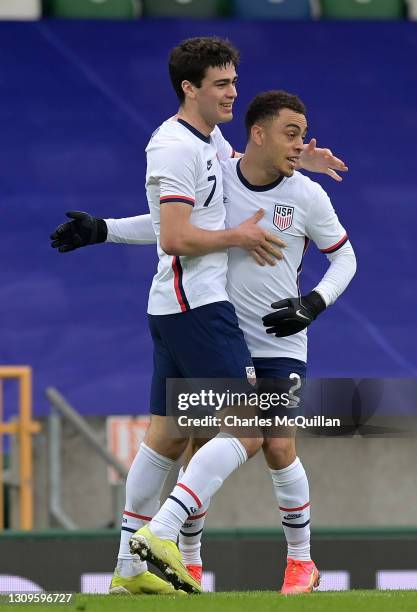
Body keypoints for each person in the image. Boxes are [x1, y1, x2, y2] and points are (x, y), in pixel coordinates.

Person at [50, 37, 349, 596]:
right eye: (222, 83)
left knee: (165, 437)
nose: (234, 92)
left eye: (235, 82)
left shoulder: (209, 144)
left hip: (176, 306)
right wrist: (240, 235)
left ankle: (127, 567)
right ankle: (163, 537)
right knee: (250, 432)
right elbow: (176, 234)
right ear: (190, 88)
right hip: (199, 307)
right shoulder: (175, 146)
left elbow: (192, 206)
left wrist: (103, 229)